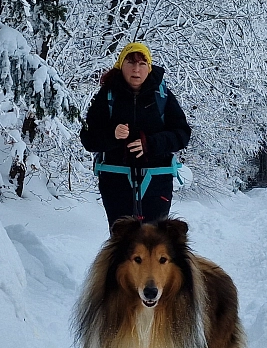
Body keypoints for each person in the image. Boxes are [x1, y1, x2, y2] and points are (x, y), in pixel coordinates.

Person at [81, 42, 191, 227]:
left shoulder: (162, 95)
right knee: (122, 244)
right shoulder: (107, 95)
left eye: (142, 64)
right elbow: (89, 138)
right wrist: (112, 135)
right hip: (115, 180)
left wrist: (151, 143)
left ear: (148, 67)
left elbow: (182, 134)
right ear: (120, 65)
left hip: (157, 179)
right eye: (130, 63)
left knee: (155, 244)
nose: (136, 69)